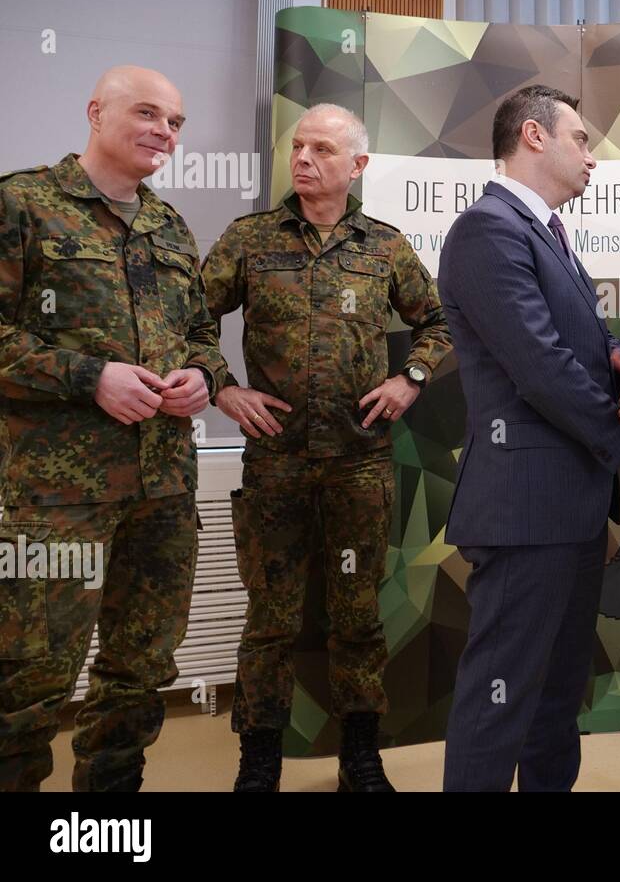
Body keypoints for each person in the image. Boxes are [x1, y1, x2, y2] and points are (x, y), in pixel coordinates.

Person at [202, 103, 452, 792]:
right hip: (275, 465)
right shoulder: (250, 240)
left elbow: (438, 321)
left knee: (356, 615)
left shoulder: (385, 247)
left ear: (357, 166)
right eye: (299, 145)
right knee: (270, 620)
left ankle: (360, 756)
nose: (304, 157)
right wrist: (222, 385)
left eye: (322, 148)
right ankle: (259, 760)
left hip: (359, 464)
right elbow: (188, 319)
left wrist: (413, 377)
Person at [0, 66, 226, 791]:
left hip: (163, 491)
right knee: (30, 678)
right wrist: (88, 376)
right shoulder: (24, 204)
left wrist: (204, 377)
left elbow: (200, 334)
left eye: (177, 121)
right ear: (96, 112)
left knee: (140, 671)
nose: (165, 129)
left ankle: (104, 822)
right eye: (148, 112)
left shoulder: (169, 226)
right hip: (56, 500)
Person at [438, 84, 620, 791]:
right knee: (498, 702)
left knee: (554, 702)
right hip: (524, 511)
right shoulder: (488, 228)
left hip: (568, 510)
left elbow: (565, 348)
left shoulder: (543, 232)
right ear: (534, 136)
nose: (591, 155)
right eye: (582, 138)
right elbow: (536, 365)